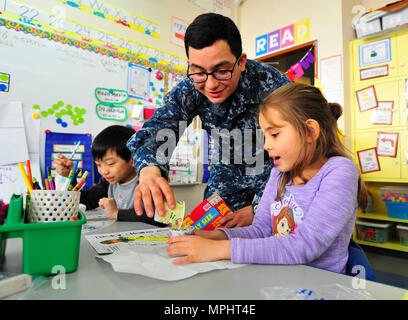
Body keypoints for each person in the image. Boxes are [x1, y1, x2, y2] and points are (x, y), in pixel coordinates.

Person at [166, 82, 368, 274]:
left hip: (320, 285)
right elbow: (261, 230)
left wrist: (220, 249)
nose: (266, 146)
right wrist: (215, 236)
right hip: (277, 278)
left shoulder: (340, 171)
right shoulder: (279, 174)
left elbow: (306, 245)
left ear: (310, 131)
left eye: (275, 134)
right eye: (265, 136)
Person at [127, 13, 290, 228]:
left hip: (275, 187)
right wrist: (149, 170)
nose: (210, 84)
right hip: (225, 183)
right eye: (198, 72)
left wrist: (260, 207)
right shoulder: (190, 89)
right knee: (205, 240)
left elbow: (300, 154)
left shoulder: (273, 85)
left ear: (241, 62)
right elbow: (156, 131)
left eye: (221, 71)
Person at [52, 125, 164, 226]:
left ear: (133, 159)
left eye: (110, 163)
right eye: (98, 165)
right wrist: (70, 178)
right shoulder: (108, 183)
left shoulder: (146, 181)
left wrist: (117, 213)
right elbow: (86, 201)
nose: (103, 171)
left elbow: (157, 215)